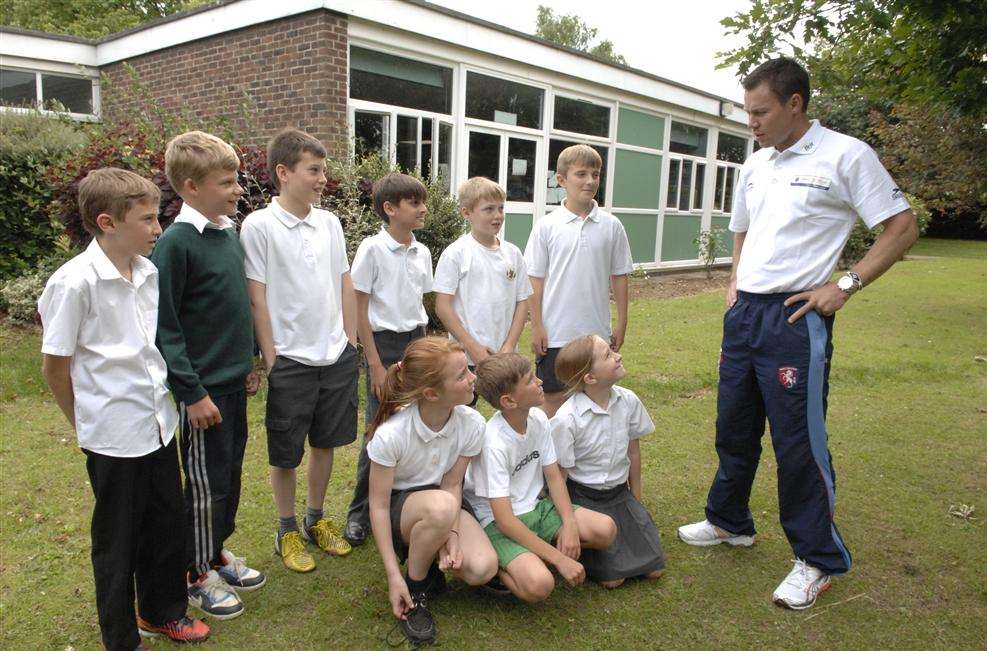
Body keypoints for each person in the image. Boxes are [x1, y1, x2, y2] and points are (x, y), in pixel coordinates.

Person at [677, 57, 919, 610]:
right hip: (745, 316)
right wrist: (735, 283)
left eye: (760, 112)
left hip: (795, 316)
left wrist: (846, 284)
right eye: (747, 112)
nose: (752, 123)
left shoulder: (847, 155)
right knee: (733, 425)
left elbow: (901, 227)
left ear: (795, 103)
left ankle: (817, 559)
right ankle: (729, 521)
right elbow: (742, 230)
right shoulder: (757, 163)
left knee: (797, 441)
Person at [38, 168, 210, 649]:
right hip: (112, 435)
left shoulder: (147, 272)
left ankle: (162, 611)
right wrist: (85, 424)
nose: (159, 228)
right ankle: (121, 637)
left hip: (156, 424)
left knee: (165, 524)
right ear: (107, 221)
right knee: (117, 542)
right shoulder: (74, 283)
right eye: (149, 219)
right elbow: (56, 367)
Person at [152, 130, 263, 621]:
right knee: (203, 483)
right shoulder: (177, 243)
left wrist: (249, 363)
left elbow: (232, 309)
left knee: (229, 473)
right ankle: (195, 573)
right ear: (191, 187)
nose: (238, 188)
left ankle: (215, 549)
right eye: (227, 181)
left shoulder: (226, 233)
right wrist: (191, 392)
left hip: (233, 383)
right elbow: (165, 327)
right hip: (202, 394)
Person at [240, 128, 358, 573]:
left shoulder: (329, 222)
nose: (322, 178)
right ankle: (287, 528)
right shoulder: (259, 226)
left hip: (336, 356)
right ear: (284, 173)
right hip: (291, 360)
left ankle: (315, 519)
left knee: (326, 443)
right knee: (285, 451)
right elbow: (257, 295)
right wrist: (272, 358)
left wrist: (348, 338)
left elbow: (343, 280)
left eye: (323, 170)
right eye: (314, 170)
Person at [367, 337, 499, 646]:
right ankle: (415, 588)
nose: (473, 378)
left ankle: (428, 554)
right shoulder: (392, 434)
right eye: (462, 375)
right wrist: (392, 576)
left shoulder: (472, 423)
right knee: (439, 507)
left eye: (469, 369)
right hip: (402, 510)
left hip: (444, 503)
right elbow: (378, 506)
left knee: (483, 568)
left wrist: (449, 535)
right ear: (431, 393)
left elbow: (453, 484)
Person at [468, 353, 617, 602]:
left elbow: (554, 477)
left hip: (537, 509)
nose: (539, 382)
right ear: (509, 401)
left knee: (606, 529)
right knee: (539, 586)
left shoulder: (537, 418)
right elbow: (504, 520)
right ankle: (496, 571)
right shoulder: (494, 443)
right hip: (501, 524)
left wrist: (569, 523)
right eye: (529, 381)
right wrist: (558, 559)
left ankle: (537, 552)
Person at [343, 172, 433, 546]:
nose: (423, 209)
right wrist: (376, 365)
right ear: (390, 209)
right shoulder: (372, 249)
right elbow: (360, 309)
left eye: (422, 202)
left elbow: (420, 304)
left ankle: (403, 505)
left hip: (417, 341)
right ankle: (360, 513)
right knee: (378, 430)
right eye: (415, 203)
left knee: (417, 425)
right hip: (384, 344)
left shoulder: (422, 250)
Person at [524, 144, 634, 418]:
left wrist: (621, 322)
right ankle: (552, 461)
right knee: (553, 399)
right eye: (581, 174)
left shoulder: (611, 226)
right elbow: (534, 281)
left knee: (593, 399)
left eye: (595, 174)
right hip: (556, 333)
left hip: (596, 334)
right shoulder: (546, 226)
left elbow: (619, 276)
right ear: (561, 180)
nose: (590, 181)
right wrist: (536, 326)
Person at [552, 335, 666, 588]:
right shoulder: (566, 419)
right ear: (590, 378)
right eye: (608, 355)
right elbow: (560, 475)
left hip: (619, 495)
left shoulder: (628, 400)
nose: (618, 356)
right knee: (613, 580)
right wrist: (567, 520)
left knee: (654, 570)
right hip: (584, 499)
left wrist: (636, 499)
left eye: (612, 351)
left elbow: (633, 453)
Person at [434, 177, 532, 371]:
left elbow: (522, 302)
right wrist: (473, 348)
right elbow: (443, 306)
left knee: (511, 401)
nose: (497, 215)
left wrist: (509, 346)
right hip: (466, 356)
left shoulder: (513, 253)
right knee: (465, 402)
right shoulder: (456, 253)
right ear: (466, 213)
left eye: (501, 208)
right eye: (489, 209)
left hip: (506, 355)